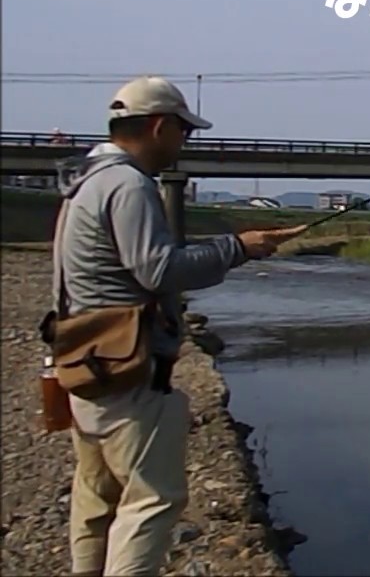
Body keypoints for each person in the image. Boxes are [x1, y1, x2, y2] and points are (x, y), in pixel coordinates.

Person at [53, 75, 305, 576]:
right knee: (153, 500)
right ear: (159, 126)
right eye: (184, 132)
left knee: (98, 492)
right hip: (126, 369)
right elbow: (159, 269)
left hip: (86, 361)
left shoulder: (86, 180)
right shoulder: (126, 183)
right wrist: (238, 248)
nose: (184, 143)